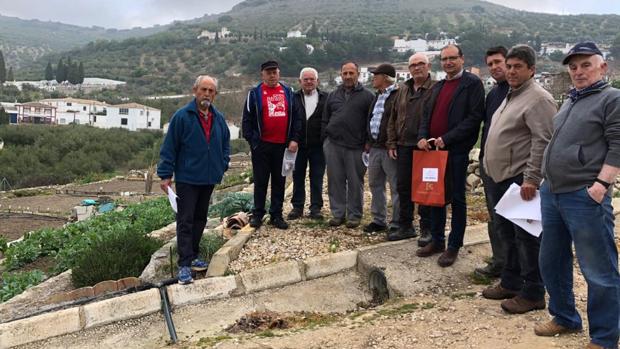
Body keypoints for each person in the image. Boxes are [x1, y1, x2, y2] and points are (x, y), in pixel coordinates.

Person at [536, 42, 620, 349]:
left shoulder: (612, 99)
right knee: (551, 260)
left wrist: (600, 186)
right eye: (573, 67)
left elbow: (618, 144)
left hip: (584, 197)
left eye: (586, 65)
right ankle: (564, 317)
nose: (578, 71)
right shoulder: (571, 100)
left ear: (602, 67)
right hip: (553, 193)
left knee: (598, 269)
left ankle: (605, 337)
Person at [480, 45, 556, 314]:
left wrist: (532, 179)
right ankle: (511, 281)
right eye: (509, 66)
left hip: (521, 181)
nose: (511, 71)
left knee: (527, 238)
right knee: (506, 235)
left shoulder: (538, 99)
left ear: (531, 70)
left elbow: (543, 141)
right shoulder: (511, 95)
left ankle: (534, 292)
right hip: (500, 178)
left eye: (517, 67)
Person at [416, 44, 485, 267]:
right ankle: (437, 240)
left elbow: (474, 118)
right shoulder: (439, 86)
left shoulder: (472, 84)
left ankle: (454, 245)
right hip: (433, 152)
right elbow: (426, 115)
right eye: (444, 59)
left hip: (455, 151)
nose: (448, 62)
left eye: (452, 58)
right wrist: (423, 136)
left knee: (456, 199)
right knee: (435, 197)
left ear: (462, 59)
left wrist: (448, 138)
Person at [158, 75, 230, 284]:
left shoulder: (218, 118)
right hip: (188, 178)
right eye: (203, 90)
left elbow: (225, 143)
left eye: (211, 91)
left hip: (208, 178)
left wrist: (223, 163)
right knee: (185, 220)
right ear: (195, 90)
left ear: (215, 95)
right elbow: (170, 146)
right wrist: (165, 175)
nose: (207, 94)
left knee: (200, 219)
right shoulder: (182, 116)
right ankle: (184, 265)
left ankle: (194, 256)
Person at [242, 60, 301, 230]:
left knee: (279, 181)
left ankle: (276, 215)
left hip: (282, 147)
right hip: (262, 147)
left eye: (274, 72)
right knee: (260, 182)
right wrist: (254, 143)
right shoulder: (254, 94)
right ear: (262, 75)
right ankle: (258, 215)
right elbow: (247, 122)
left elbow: (296, 118)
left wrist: (294, 139)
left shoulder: (288, 92)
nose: (272, 75)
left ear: (279, 73)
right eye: (268, 72)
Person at [386, 53, 435, 243]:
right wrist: (392, 142)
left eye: (421, 64)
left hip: (425, 148)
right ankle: (406, 226)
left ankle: (427, 228)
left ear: (428, 66)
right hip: (403, 145)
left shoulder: (435, 88)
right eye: (413, 65)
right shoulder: (403, 90)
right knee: (403, 187)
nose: (417, 67)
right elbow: (393, 117)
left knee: (425, 189)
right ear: (409, 69)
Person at [322, 61, 375, 228]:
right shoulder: (333, 95)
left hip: (356, 146)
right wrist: (326, 141)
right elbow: (325, 118)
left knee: (355, 182)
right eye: (345, 73)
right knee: (335, 181)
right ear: (341, 74)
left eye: (351, 73)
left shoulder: (367, 96)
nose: (348, 76)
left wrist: (368, 142)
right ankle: (337, 214)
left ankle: (354, 215)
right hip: (334, 145)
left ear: (358, 74)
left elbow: (371, 121)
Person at [475, 46, 510, 278]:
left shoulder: (518, 92)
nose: (494, 67)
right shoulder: (494, 94)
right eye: (490, 64)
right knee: (495, 216)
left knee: (514, 220)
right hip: (489, 164)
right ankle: (500, 262)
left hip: (512, 168)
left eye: (498, 61)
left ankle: (516, 268)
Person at [364, 63, 401, 237]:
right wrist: (368, 141)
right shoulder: (377, 96)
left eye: (376, 75)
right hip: (375, 148)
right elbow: (372, 119)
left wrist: (393, 143)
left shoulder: (398, 95)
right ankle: (379, 220)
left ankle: (397, 222)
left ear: (385, 78)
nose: (373, 78)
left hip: (389, 148)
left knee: (395, 186)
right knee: (375, 184)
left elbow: (398, 121)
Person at [288, 67, 328, 220]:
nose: (309, 82)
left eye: (312, 79)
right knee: (298, 176)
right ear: (300, 82)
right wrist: (291, 139)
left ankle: (316, 208)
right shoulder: (293, 98)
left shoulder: (326, 98)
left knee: (317, 176)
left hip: (318, 145)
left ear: (317, 81)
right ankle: (297, 207)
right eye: (306, 79)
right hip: (298, 145)